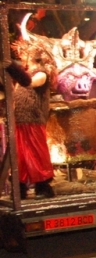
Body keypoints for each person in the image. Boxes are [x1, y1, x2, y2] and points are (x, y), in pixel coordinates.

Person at [9, 40, 57, 199]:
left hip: (34, 119)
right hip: (20, 120)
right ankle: (20, 185)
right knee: (20, 154)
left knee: (37, 151)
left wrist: (12, 68)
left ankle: (43, 185)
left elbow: (30, 83)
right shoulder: (25, 73)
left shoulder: (41, 73)